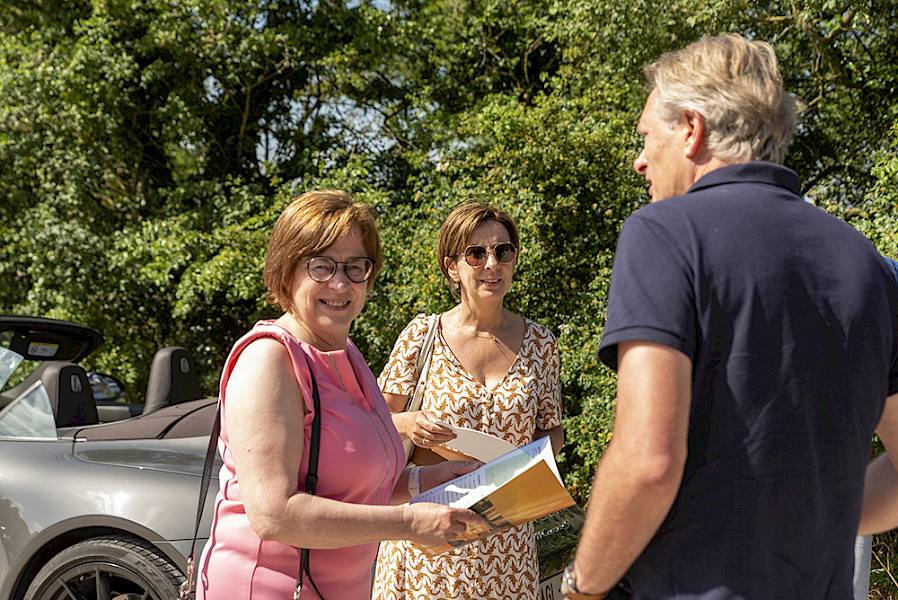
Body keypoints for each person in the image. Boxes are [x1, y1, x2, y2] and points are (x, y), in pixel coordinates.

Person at [562, 34, 898, 600]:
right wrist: (812, 521)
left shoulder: (664, 233)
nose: (639, 159)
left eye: (646, 136)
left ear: (691, 129)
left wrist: (581, 585)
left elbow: (648, 460)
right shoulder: (867, 263)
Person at [196, 190, 483, 600]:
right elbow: (274, 514)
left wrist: (426, 480)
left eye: (355, 267)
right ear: (286, 271)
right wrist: (409, 525)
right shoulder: (269, 359)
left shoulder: (347, 354)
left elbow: (351, 483)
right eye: (321, 265)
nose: (340, 282)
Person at [372, 202, 564, 600]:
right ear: (451, 267)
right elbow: (372, 422)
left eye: (503, 251)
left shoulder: (542, 344)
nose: (491, 264)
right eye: (476, 254)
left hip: (507, 544)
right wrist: (408, 424)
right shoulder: (421, 335)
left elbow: (552, 429)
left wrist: (529, 466)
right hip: (428, 542)